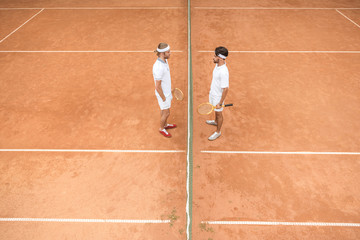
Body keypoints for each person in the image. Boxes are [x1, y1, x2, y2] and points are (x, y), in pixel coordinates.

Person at [153, 43, 177, 138]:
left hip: (166, 92)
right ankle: (162, 128)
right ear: (162, 53)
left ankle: (165, 125)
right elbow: (157, 86)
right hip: (163, 94)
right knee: (166, 112)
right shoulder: (159, 67)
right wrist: (163, 98)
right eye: (168, 52)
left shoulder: (165, 61)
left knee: (164, 110)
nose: (170, 53)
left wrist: (169, 89)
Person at [206, 46, 229, 141]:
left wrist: (220, 102)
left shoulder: (223, 72)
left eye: (215, 56)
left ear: (219, 58)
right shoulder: (218, 65)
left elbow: (226, 89)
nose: (213, 57)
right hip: (213, 93)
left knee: (219, 114)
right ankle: (215, 121)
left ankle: (218, 132)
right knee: (216, 111)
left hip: (218, 97)